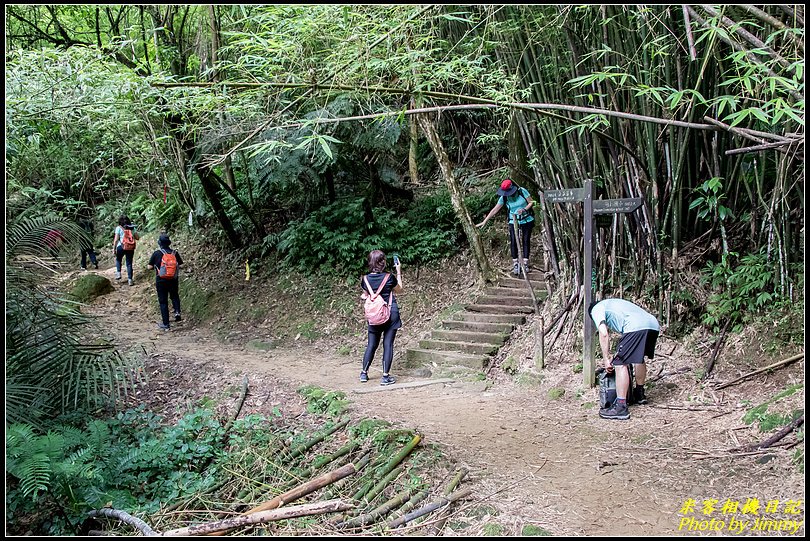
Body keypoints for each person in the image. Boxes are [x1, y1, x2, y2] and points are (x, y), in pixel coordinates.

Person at [589, 298, 660, 420]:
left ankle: (621, 406)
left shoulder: (596, 309)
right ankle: (639, 394)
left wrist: (606, 359)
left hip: (636, 326)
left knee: (620, 362)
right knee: (639, 358)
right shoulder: (614, 303)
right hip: (652, 325)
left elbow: (604, 333)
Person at [360, 250, 403, 386]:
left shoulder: (365, 279)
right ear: (382, 262)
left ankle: (364, 373)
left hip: (374, 315)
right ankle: (385, 377)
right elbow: (399, 290)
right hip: (391, 312)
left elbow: (366, 294)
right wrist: (399, 271)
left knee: (371, 344)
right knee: (388, 344)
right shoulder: (389, 277)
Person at [476, 178, 535, 275]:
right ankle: (515, 263)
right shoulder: (504, 197)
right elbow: (495, 209)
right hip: (513, 220)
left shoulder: (521, 191)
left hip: (526, 219)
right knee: (513, 241)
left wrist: (524, 209)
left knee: (525, 240)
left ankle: (525, 263)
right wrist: (484, 221)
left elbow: (532, 202)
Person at [147, 234, 184, 331]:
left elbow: (149, 267)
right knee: (174, 295)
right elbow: (181, 265)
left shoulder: (157, 253)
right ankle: (177, 312)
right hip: (173, 279)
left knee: (163, 301)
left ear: (159, 243)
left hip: (161, 280)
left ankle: (166, 324)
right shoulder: (174, 253)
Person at [112, 215, 140, 285]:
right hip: (130, 247)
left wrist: (114, 249)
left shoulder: (118, 228)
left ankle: (118, 273)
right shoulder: (132, 228)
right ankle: (130, 280)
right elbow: (137, 237)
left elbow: (116, 240)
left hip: (120, 246)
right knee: (129, 263)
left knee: (118, 259)